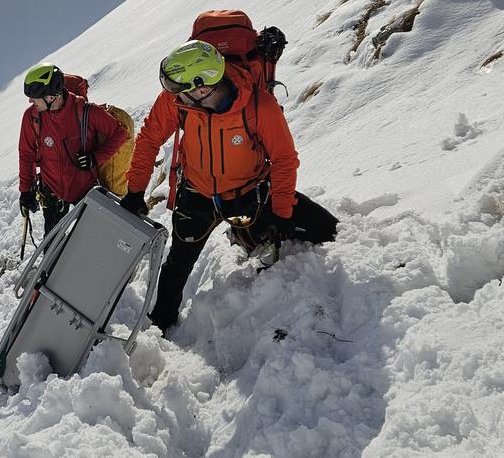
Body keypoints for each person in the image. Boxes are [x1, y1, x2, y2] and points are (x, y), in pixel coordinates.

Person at [119, 40, 337, 334]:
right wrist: (135, 192)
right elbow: (148, 139)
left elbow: (284, 160)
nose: (173, 96)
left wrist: (282, 212)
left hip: (250, 193)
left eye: (181, 90)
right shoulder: (178, 102)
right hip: (196, 194)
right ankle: (161, 324)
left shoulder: (260, 107)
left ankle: (254, 239)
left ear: (202, 87)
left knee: (327, 230)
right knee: (178, 263)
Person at [18, 63, 129, 234]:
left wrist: (95, 158)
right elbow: (27, 154)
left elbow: (120, 133)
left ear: (50, 96)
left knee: (90, 241)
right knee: (53, 246)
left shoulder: (86, 112)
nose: (30, 101)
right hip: (52, 191)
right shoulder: (32, 117)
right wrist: (25, 191)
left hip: (85, 190)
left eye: (34, 96)